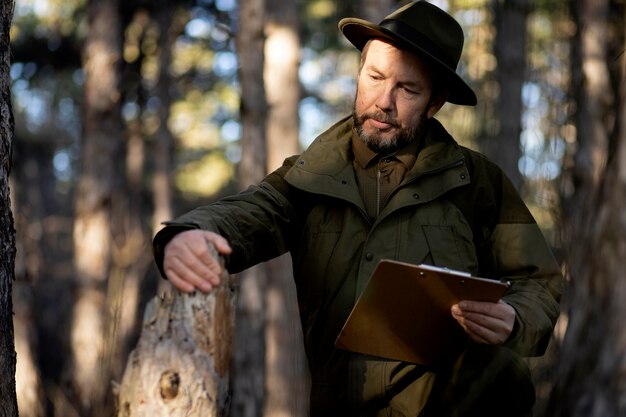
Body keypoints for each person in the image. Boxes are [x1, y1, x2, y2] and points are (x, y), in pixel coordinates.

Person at [153, 1, 564, 416]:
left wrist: (513, 318)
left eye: (407, 89)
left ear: (435, 103)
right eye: (375, 77)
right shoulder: (310, 177)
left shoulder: (478, 183)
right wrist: (186, 233)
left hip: (451, 406)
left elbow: (539, 282)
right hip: (340, 407)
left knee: (503, 373)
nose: (383, 101)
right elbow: (251, 212)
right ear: (359, 72)